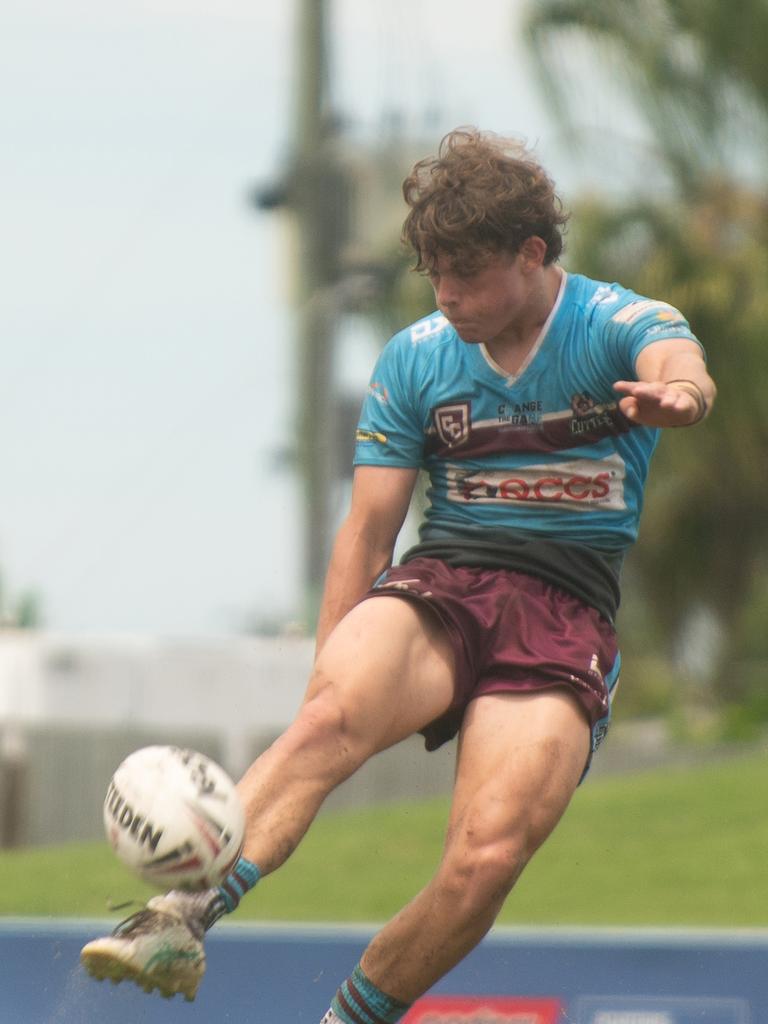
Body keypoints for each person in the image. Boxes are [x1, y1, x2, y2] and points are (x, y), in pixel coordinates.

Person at [81, 127, 716, 1019]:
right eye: (435, 276)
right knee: (333, 715)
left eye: (468, 275)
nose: (448, 297)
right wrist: (325, 680)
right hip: (445, 586)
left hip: (566, 613)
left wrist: (679, 396)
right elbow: (368, 530)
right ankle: (175, 922)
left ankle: (350, 1017)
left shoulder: (613, 322)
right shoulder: (417, 358)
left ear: (532, 255)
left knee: (487, 859)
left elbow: (677, 358)